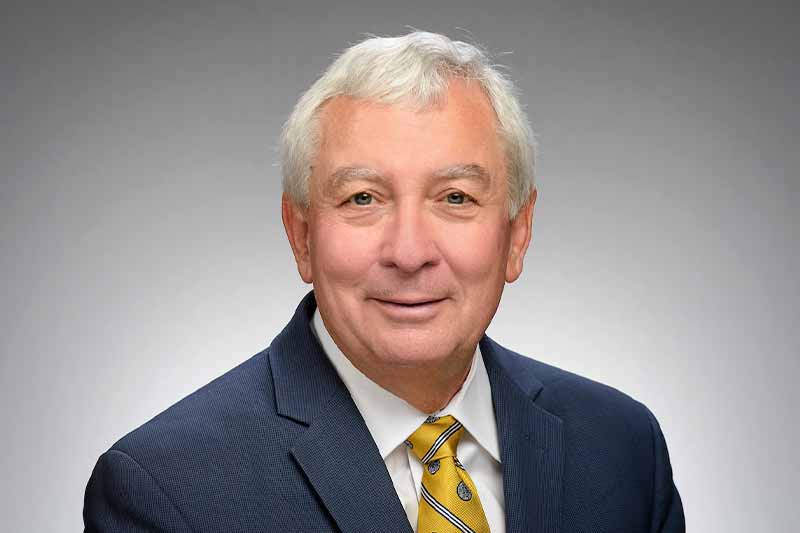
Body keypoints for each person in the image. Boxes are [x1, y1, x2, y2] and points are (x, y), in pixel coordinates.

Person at [84, 31, 684, 532]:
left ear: (517, 233)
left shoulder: (622, 447)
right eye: (363, 198)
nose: (409, 252)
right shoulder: (164, 489)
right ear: (301, 234)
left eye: (455, 197)